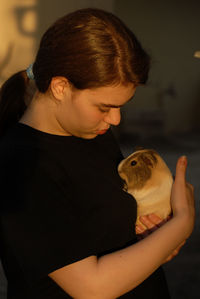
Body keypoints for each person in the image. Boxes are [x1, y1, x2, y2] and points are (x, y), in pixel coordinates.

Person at [0, 8, 195, 299]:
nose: (115, 119)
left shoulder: (90, 130)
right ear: (61, 87)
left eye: (120, 106)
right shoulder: (20, 166)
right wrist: (183, 222)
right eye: (104, 107)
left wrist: (159, 237)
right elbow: (92, 288)